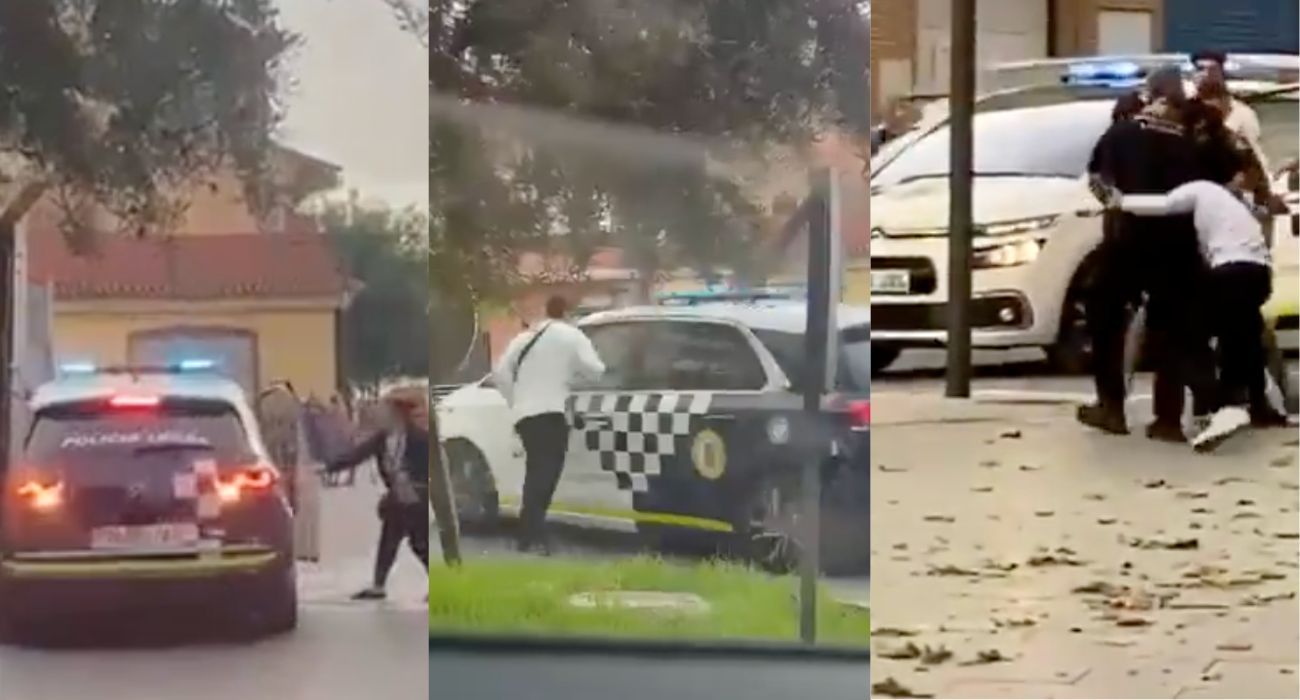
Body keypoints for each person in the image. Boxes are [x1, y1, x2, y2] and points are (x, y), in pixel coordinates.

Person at [1079, 69, 1221, 440]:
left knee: (1104, 311)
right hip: (1178, 246)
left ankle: (1111, 406)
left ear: (1151, 96)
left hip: (1128, 240)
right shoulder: (1192, 145)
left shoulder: (1122, 134)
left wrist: (1116, 205)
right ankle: (1168, 420)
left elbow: (1098, 180)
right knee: (1171, 328)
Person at [1106, 179, 1272, 450]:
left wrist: (1122, 202)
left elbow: (1167, 203)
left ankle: (1224, 406)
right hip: (1260, 274)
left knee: (1189, 336)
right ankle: (1255, 408)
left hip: (1231, 270)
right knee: (1244, 337)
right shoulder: (1238, 209)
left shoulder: (1201, 189)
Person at [493, 295, 605, 553]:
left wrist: (517, 399)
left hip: (525, 416)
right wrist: (570, 378)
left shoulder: (523, 339)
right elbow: (596, 370)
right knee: (546, 475)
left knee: (535, 472)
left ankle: (528, 533)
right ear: (567, 312)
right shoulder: (571, 335)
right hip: (552, 413)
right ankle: (534, 533)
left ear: (546, 310)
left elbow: (500, 374)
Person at [322, 389, 429, 600]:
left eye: (386, 411)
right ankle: (378, 585)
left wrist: (421, 487)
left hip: (417, 500)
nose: (381, 415)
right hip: (397, 499)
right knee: (388, 540)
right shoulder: (382, 439)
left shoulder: (420, 439)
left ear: (398, 414)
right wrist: (329, 467)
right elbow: (357, 455)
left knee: (419, 543)